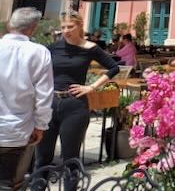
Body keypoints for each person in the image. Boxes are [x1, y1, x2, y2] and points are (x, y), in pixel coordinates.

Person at [35, 13, 120, 173]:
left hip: (75, 105)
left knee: (70, 160)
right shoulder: (52, 48)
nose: (66, 31)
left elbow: (114, 67)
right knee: (42, 159)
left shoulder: (90, 48)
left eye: (70, 27)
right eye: (63, 27)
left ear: (80, 25)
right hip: (50, 103)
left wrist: (91, 87)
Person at [0, 8, 53, 191]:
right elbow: (44, 95)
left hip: (15, 126)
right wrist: (41, 126)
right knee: (5, 182)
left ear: (9, 24)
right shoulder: (39, 53)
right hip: (17, 128)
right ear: (32, 29)